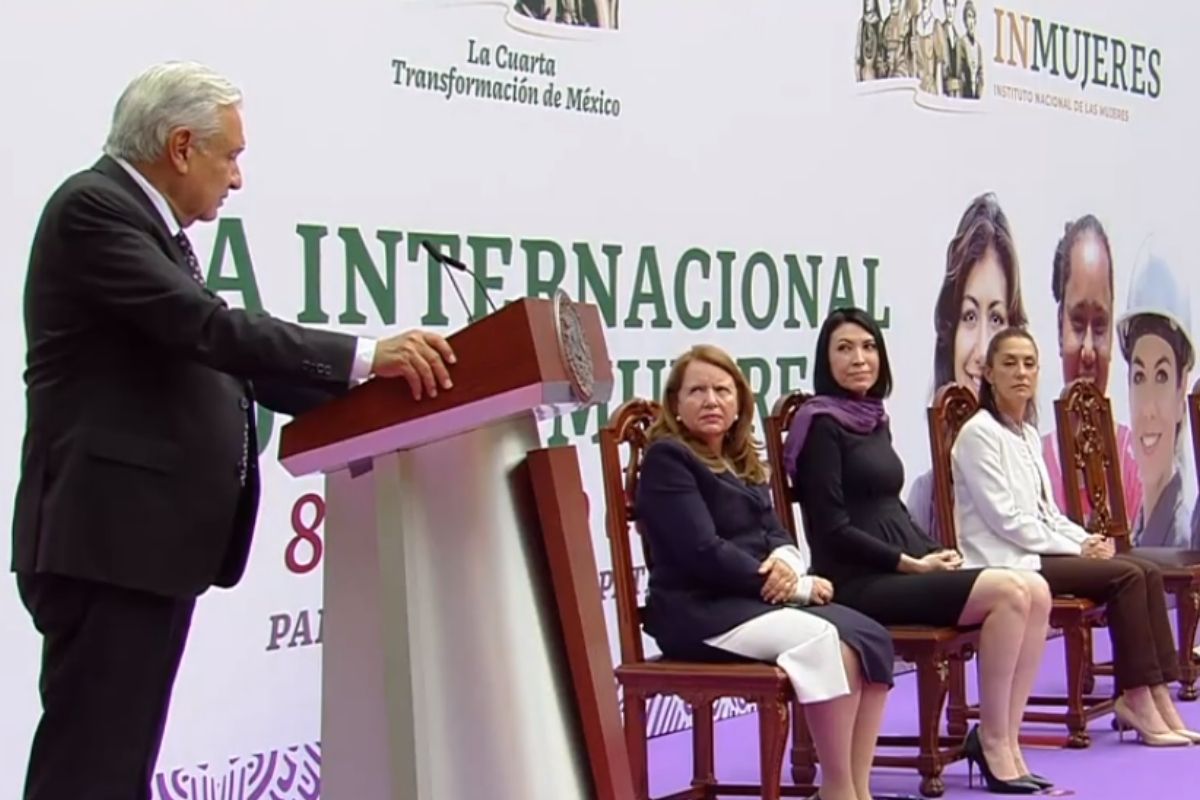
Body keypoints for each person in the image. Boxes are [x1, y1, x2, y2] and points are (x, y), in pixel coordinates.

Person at [10, 62, 457, 800]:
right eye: (232, 156)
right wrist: (365, 356)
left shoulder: (146, 227)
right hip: (108, 544)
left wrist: (383, 395)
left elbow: (227, 365)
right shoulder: (94, 210)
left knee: (115, 765)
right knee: (89, 767)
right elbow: (207, 330)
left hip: (137, 548)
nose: (238, 179)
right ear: (181, 146)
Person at [787, 308, 1052, 794]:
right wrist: (909, 563)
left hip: (902, 568)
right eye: (844, 348)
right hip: (856, 582)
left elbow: (892, 509)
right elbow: (830, 529)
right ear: (826, 359)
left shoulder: (872, 418)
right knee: (1010, 592)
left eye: (868, 347)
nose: (859, 358)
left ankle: (1006, 739)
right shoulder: (821, 424)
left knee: (1035, 588)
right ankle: (991, 742)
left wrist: (935, 550)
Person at [637, 344, 894, 800]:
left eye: (722, 390)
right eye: (697, 391)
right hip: (698, 612)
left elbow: (776, 532)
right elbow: (703, 550)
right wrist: (792, 587)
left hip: (749, 600)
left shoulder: (741, 461)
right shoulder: (667, 459)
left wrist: (789, 563)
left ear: (739, 404)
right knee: (824, 642)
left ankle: (855, 787)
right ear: (675, 403)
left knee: (869, 636)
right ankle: (837, 790)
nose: (711, 401)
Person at [952, 327, 1199, 747]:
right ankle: (1135, 697)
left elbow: (1046, 512)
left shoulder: (1026, 434)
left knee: (1144, 570)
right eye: (1009, 363)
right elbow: (1007, 521)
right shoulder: (978, 434)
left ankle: (1158, 694)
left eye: (1029, 364)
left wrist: (1086, 538)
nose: (1020, 373)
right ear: (988, 372)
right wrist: (1076, 547)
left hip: (1039, 549)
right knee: (1124, 576)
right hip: (1008, 561)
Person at [907, 192, 1029, 538]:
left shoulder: (1030, 462)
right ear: (950, 330)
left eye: (996, 318)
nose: (981, 351)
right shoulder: (924, 499)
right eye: (970, 316)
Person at [1042, 215, 1142, 526]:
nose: (1087, 350)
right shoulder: (1030, 465)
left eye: (1099, 326)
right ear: (1060, 328)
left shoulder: (1137, 462)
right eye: (1076, 323)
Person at [1116, 238, 1199, 549]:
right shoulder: (1137, 532)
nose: (1147, 408)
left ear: (1181, 394)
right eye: (1139, 377)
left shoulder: (1185, 540)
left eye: (1162, 376)